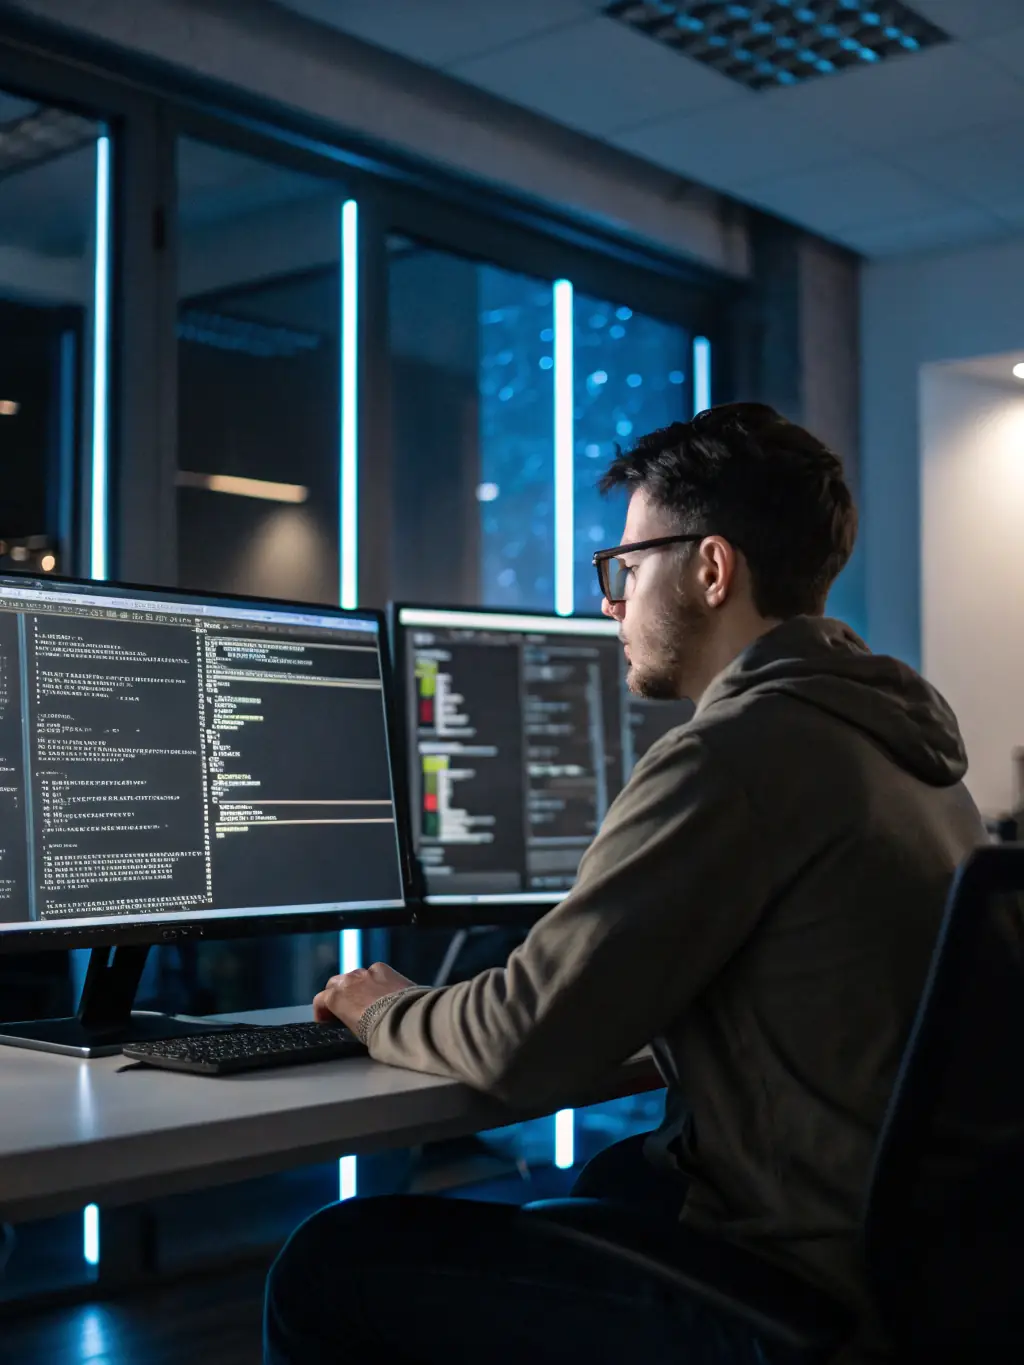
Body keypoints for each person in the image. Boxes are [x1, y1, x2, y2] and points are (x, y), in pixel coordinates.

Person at [265, 402, 985, 1365]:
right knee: (614, 1175)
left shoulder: (735, 755)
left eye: (628, 568)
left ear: (712, 568)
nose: (610, 602)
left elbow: (527, 1039)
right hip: (927, 1267)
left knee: (332, 1260)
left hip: (812, 1283)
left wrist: (384, 1006)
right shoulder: (902, 749)